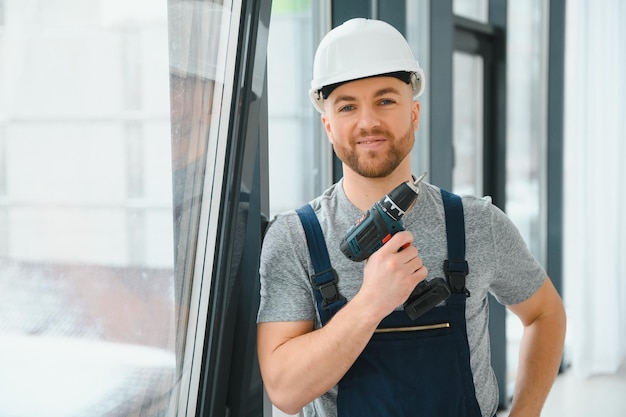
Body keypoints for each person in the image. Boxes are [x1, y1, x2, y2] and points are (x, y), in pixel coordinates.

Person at [256, 18, 566, 417]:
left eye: (385, 100)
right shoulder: (296, 238)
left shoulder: (476, 223)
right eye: (348, 106)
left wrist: (525, 413)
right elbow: (284, 390)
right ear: (328, 126)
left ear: (415, 113)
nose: (368, 121)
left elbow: (546, 313)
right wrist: (371, 303)